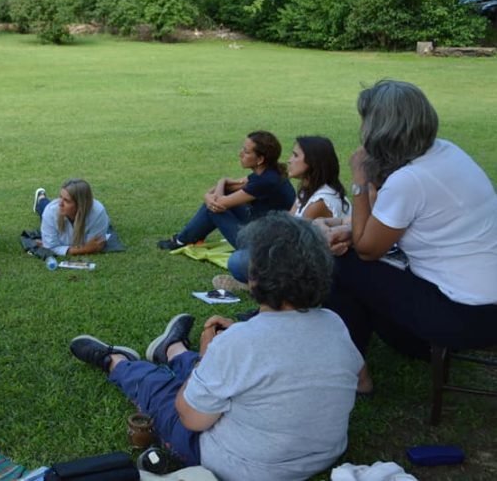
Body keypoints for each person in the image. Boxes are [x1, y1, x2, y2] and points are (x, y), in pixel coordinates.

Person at [71, 212, 363, 481]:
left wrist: (207, 359)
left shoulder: (241, 343)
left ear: (256, 276)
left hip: (237, 464)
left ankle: (116, 361)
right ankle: (173, 350)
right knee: (223, 375)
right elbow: (361, 381)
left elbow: (191, 417)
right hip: (323, 456)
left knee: (161, 390)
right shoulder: (333, 323)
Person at [322, 80, 497, 395]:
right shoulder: (446, 152)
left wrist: (360, 181)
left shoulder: (410, 179)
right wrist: (351, 230)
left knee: (341, 262)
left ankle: (354, 370)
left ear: (380, 129)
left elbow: (367, 250)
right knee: (356, 263)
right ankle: (396, 343)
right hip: (486, 305)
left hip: (463, 314)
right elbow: (396, 225)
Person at [219, 135, 349, 290]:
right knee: (247, 253)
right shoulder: (308, 190)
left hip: (309, 268)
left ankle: (262, 286)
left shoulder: (319, 202)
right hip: (296, 254)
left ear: (312, 162)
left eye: (295, 156)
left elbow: (292, 245)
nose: (289, 160)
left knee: (238, 260)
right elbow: (288, 221)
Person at [157, 130, 295, 251]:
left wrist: (221, 182)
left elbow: (218, 203)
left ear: (260, 159)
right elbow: (230, 189)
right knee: (218, 200)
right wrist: (213, 192)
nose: (240, 154)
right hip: (262, 229)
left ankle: (182, 240)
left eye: (246, 152)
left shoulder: (265, 180)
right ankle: (188, 237)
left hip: (261, 245)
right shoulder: (269, 171)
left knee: (213, 209)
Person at [33, 179, 110, 256]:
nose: (60, 203)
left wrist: (63, 248)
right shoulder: (51, 211)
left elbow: (97, 244)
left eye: (66, 200)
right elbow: (51, 248)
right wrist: (85, 249)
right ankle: (41, 197)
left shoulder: (98, 212)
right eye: (60, 197)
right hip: (49, 211)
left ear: (80, 205)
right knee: (45, 208)